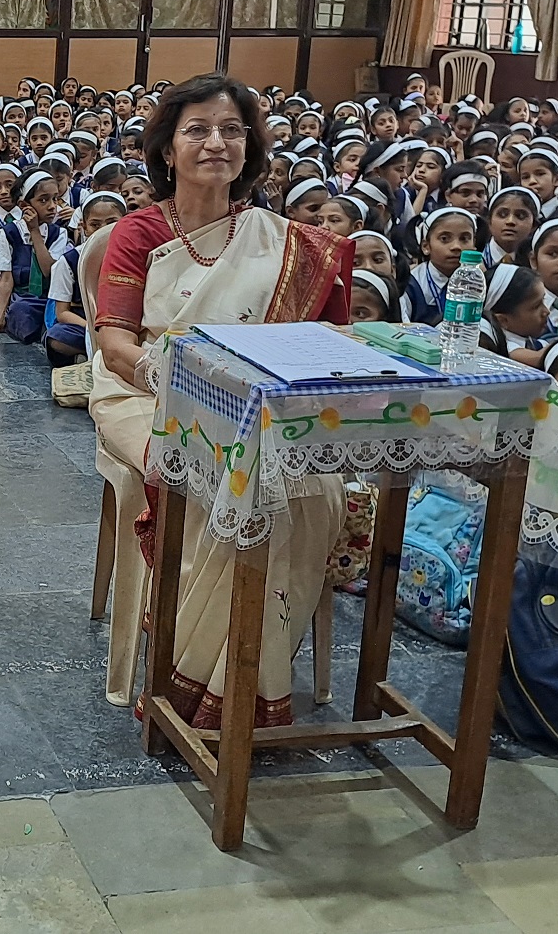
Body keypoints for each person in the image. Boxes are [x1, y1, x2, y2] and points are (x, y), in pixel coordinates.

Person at [89, 73, 352, 721]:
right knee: (217, 477)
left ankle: (246, 674)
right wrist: (185, 390)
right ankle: (191, 678)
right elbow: (115, 345)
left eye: (232, 130)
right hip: (146, 392)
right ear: (167, 148)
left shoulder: (285, 241)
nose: (217, 143)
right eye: (198, 130)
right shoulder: (138, 232)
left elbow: (326, 342)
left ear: (249, 147)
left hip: (260, 406)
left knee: (311, 489)